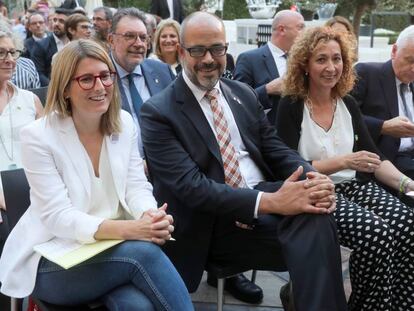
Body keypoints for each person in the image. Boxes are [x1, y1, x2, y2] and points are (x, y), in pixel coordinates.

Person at [140, 12, 348, 311]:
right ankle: (305, 298)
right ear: (182, 52)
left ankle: (305, 298)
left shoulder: (241, 93)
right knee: (316, 228)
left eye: (217, 49)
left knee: (316, 212)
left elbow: (275, 148)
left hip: (262, 195)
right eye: (198, 50)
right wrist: (271, 202)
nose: (209, 59)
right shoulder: (158, 112)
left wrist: (313, 176)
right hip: (210, 222)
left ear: (227, 50)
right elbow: (192, 188)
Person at [0, 39, 194, 311]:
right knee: (146, 254)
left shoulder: (124, 123)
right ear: (65, 87)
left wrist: (149, 216)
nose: (100, 86)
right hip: (53, 259)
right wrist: (132, 230)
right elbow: (59, 217)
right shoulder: (38, 136)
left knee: (136, 307)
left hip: (114, 251)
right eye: (87, 79)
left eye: (105, 76)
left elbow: (136, 187)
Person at [275, 26, 414, 311]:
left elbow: (375, 159)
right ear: (305, 64)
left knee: (407, 223)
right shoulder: (291, 106)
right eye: (322, 59)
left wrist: (407, 185)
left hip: (356, 186)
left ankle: (398, 306)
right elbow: (286, 166)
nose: (331, 67)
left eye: (337, 59)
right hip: (316, 190)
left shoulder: (347, 104)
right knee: (376, 234)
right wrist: (344, 161)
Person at [352, 25, 414, 182]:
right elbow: (345, 117)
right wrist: (383, 126)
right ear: (394, 51)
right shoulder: (366, 73)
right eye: (410, 60)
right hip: (384, 162)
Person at [109, 8, 174, 157]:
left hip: (165, 165)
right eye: (130, 36)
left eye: (143, 37)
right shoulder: (97, 77)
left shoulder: (162, 72)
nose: (139, 44)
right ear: (111, 41)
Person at [233, 10, 305, 123]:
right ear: (282, 30)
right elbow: (237, 101)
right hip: (267, 134)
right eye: (300, 27)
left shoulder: (303, 60)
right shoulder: (249, 59)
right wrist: (267, 89)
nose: (305, 33)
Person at [0, 30, 43, 212]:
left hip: (35, 195)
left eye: (13, 52)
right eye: (1, 53)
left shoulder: (30, 100)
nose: (9, 59)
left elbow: (48, 150)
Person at [31, 7, 69, 86]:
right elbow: (38, 73)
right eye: (55, 20)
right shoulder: (40, 45)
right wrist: (55, 88)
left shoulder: (74, 43)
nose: (56, 24)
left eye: (61, 21)